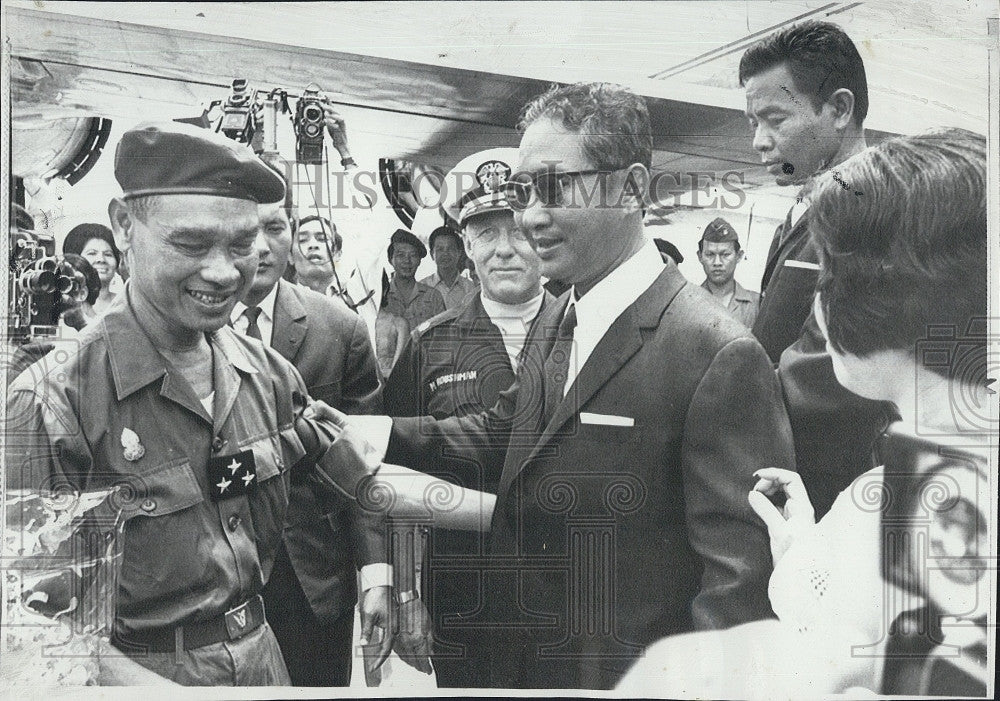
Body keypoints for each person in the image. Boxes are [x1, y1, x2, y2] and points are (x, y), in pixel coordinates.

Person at [344, 82, 795, 689]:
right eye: (527, 191)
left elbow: (737, 583)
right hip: (523, 661)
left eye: (555, 187)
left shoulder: (718, 353)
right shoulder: (562, 316)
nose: (531, 216)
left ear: (632, 188)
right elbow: (507, 431)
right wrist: (371, 432)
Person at [5, 122, 388, 686]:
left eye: (241, 247)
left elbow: (359, 474)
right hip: (141, 680)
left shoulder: (268, 374)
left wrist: (393, 569)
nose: (223, 272)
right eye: (190, 244)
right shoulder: (52, 402)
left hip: (264, 665)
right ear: (124, 225)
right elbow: (34, 625)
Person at [617, 128, 991, 698]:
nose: (818, 300)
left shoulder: (911, 506)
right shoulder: (925, 478)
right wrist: (807, 551)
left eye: (831, 276)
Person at [383, 147, 552, 687]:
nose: (504, 251)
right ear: (465, 245)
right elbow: (396, 476)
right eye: (484, 234)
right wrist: (408, 592)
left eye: (519, 231)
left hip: (573, 592)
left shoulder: (591, 330)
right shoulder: (430, 345)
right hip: (462, 592)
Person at [230, 180, 393, 687]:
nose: (260, 246)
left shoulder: (339, 329)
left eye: (275, 228)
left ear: (295, 235)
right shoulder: (188, 326)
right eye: (243, 231)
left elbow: (362, 466)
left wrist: (376, 576)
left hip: (314, 580)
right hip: (214, 578)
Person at [741, 21, 896, 517]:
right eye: (753, 124)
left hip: (829, 496)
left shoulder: (869, 213)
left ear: (840, 109)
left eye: (775, 119)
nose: (759, 143)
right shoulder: (812, 208)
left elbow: (823, 382)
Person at [695, 217, 759, 328]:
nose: (717, 262)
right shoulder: (688, 302)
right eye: (710, 255)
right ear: (700, 257)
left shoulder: (757, 305)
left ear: (738, 256)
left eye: (725, 255)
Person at [383, 228, 446, 330]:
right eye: (401, 255)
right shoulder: (381, 296)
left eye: (413, 255)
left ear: (419, 261)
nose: (407, 260)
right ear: (390, 259)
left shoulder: (433, 297)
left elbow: (443, 337)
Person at [62, 222, 121, 316]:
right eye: (92, 253)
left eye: (108, 254)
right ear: (76, 259)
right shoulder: (64, 305)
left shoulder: (127, 305)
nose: (101, 260)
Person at [419, 225, 478, 311]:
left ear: (459, 253)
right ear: (432, 254)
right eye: (440, 249)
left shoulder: (471, 289)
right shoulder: (422, 288)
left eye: (450, 248)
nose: (445, 253)